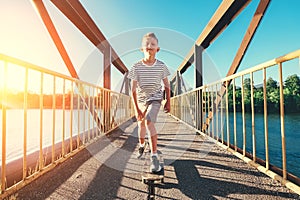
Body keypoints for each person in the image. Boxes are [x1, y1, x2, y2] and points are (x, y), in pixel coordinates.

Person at [127, 32, 171, 173]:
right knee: (141, 125)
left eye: (153, 44)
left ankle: (154, 156)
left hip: (155, 98)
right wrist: (136, 109)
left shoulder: (161, 66)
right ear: (142, 48)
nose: (149, 46)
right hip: (140, 100)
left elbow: (167, 86)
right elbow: (132, 89)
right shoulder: (136, 67)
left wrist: (168, 102)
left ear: (158, 48)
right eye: (146, 44)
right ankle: (141, 144)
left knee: (149, 121)